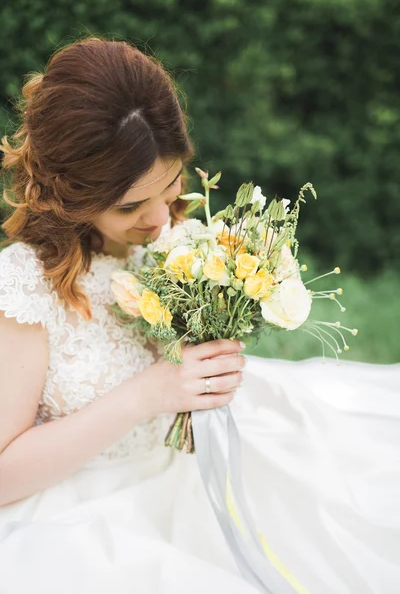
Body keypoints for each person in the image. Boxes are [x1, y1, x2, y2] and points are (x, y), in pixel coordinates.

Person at [0, 36, 398, 594]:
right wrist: (149, 394)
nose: (160, 216)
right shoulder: (26, 286)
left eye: (170, 185)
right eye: (129, 207)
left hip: (196, 461)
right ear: (69, 194)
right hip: (91, 507)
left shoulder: (172, 238)